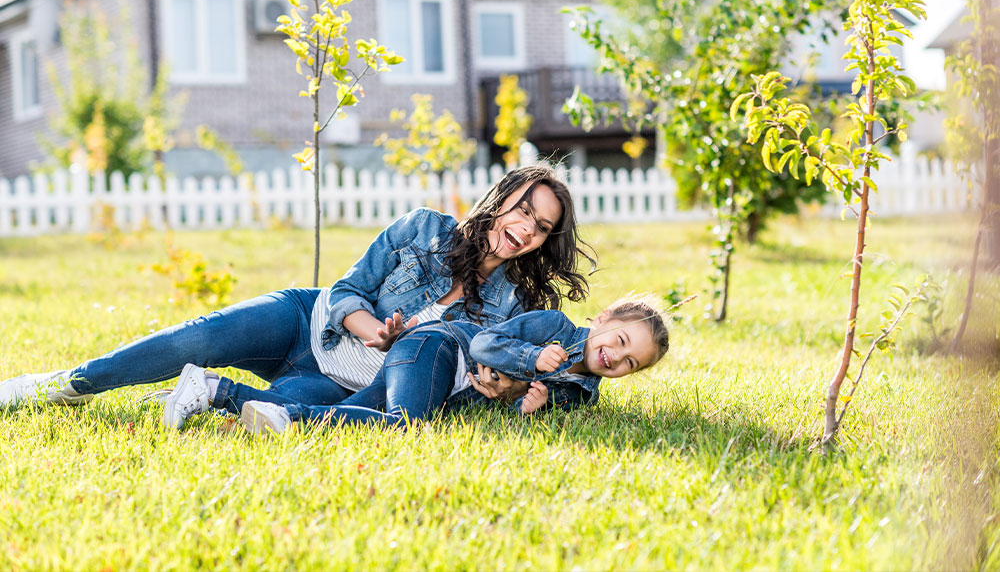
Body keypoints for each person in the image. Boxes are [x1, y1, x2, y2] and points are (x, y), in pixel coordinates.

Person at [0, 166, 595, 428]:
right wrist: (371, 330)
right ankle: (65, 384)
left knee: (277, 405)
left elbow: (546, 369)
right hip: (306, 324)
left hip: (344, 383)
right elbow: (347, 290)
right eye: (525, 210)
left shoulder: (517, 305)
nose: (527, 229)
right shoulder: (423, 229)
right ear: (503, 199)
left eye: (542, 227)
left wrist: (514, 388)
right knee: (197, 338)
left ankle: (177, 389)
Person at [238, 293, 670, 434]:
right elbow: (484, 343)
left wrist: (525, 409)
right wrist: (531, 357)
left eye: (630, 363)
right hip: (436, 347)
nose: (615, 357)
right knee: (404, 423)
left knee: (367, 414)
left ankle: (218, 395)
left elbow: (496, 406)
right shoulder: (553, 326)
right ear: (604, 319)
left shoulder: (578, 397)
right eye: (620, 340)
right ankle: (286, 416)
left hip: (446, 385)